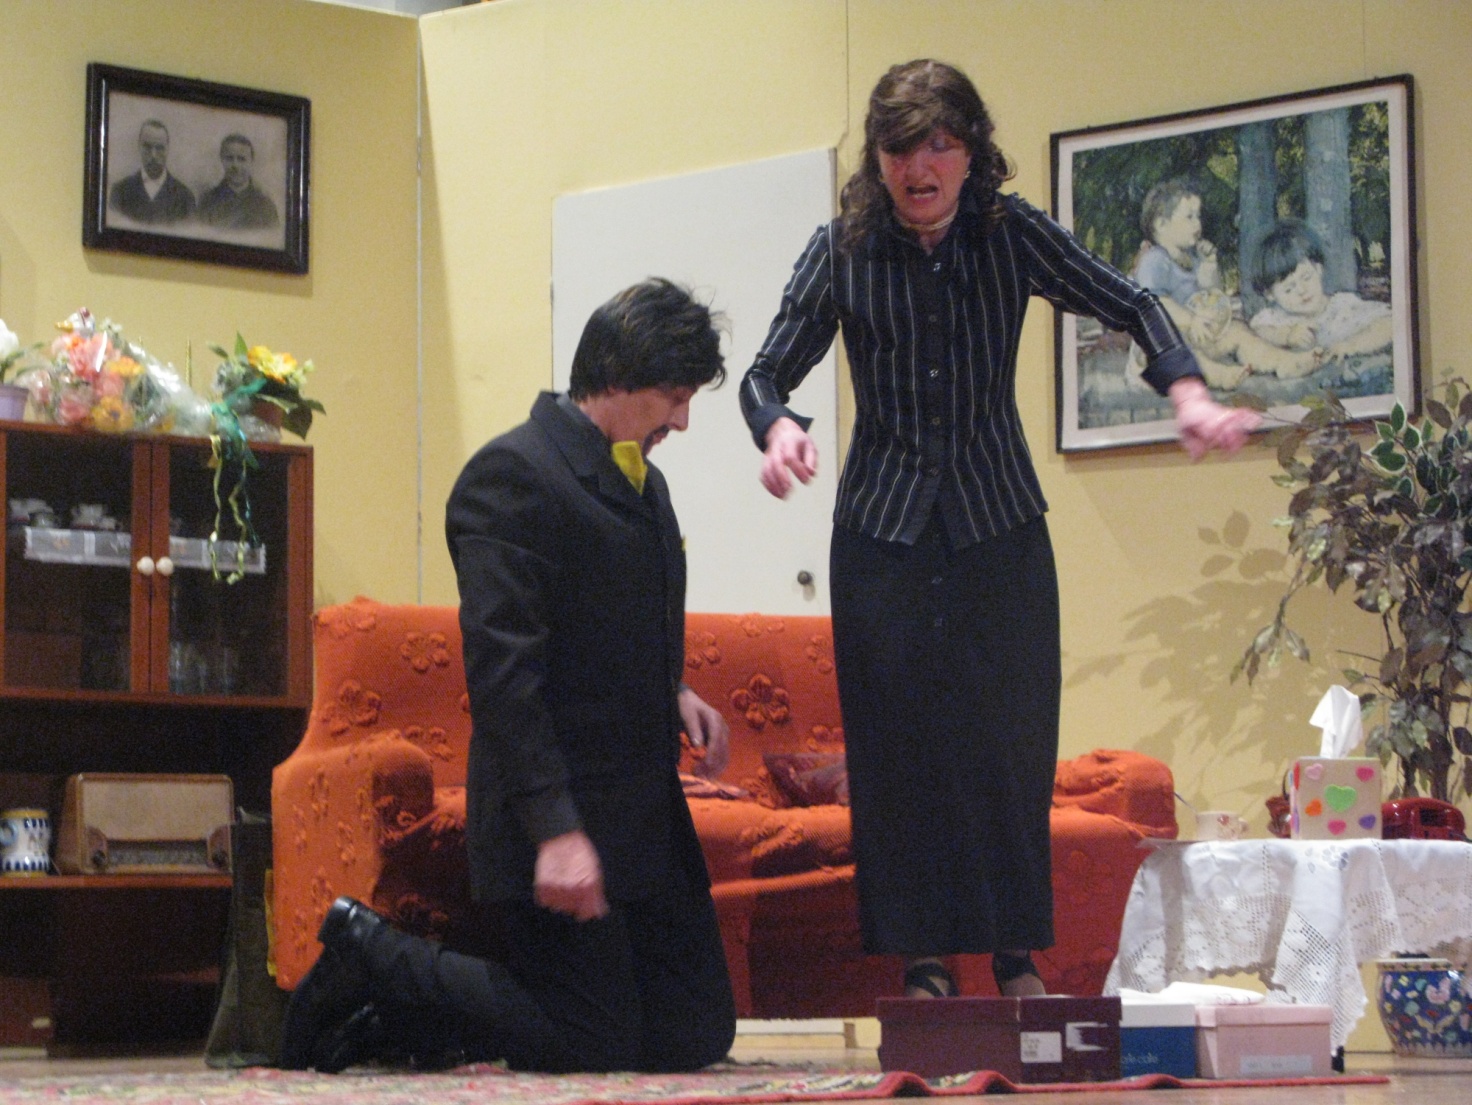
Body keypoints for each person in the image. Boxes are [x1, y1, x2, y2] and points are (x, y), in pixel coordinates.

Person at [740, 59, 1259, 1002]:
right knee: (900, 752)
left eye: (940, 144)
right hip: (882, 535)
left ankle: (1017, 956)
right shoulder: (842, 248)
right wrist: (777, 429)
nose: (920, 167)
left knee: (1008, 744)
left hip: (998, 523)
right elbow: (765, 372)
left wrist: (1187, 391)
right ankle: (924, 961)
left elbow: (1133, 301)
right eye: (900, 148)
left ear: (972, 151)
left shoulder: (1009, 232)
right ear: (878, 160)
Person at [280, 279, 738, 1073]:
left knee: (697, 1031)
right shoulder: (512, 474)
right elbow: (505, 675)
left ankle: (406, 1023)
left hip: (643, 820)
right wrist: (557, 832)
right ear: (619, 375)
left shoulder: (646, 482)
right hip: (554, 817)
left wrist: (677, 690)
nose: (684, 420)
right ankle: (374, 952)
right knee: (596, 1038)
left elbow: (612, 621)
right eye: (675, 397)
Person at [1131, 178, 1318, 387]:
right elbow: (1154, 303)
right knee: (1177, 347)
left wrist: (1209, 266)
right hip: (1160, 344)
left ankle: (1282, 362)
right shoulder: (1154, 260)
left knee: (1238, 331)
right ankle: (1219, 376)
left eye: (1198, 216)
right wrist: (1191, 321)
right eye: (1189, 217)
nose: (1197, 224)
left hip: (1202, 335)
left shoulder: (1194, 258)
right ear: (1162, 225)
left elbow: (1213, 294)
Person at [1248, 220, 1392, 366]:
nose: (1302, 290)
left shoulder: (1342, 307)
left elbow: (1389, 324)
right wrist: (1286, 336)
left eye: (1306, 277)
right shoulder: (1275, 317)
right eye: (1289, 289)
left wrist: (1350, 345)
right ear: (1270, 294)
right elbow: (1255, 335)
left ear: (1318, 269)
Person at [107, 119, 195, 225]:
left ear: (168, 149)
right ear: (139, 147)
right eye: (147, 147)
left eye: (159, 148)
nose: (153, 155)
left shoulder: (185, 198)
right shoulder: (120, 192)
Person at [197, 134, 280, 230]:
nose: (235, 165)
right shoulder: (207, 202)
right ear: (222, 160)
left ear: (251, 161)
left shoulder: (266, 206)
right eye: (229, 158)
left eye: (241, 159)